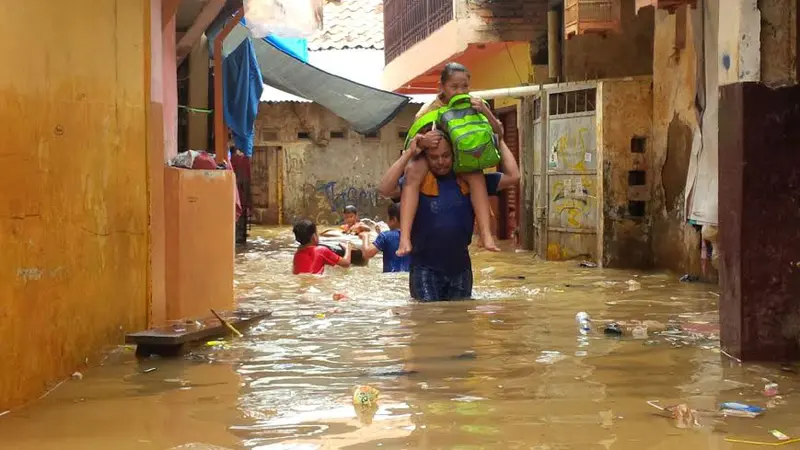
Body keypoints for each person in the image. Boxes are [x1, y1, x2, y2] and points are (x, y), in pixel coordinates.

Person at [378, 129, 520, 301]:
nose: (440, 162)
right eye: (434, 157)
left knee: (460, 321)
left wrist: (502, 140)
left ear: (455, 155)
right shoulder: (419, 182)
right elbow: (385, 189)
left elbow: (514, 176)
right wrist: (408, 153)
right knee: (428, 320)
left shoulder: (469, 180)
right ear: (426, 158)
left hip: (461, 269)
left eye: (445, 156)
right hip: (424, 268)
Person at [397, 62, 505, 257]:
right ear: (442, 87)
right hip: (433, 158)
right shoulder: (428, 110)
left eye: (464, 86)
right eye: (453, 87)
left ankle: (486, 235)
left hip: (462, 159)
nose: (459, 91)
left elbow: (499, 133)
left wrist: (485, 111)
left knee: (477, 177)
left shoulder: (476, 104)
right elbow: (412, 144)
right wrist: (425, 141)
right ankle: (404, 238)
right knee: (412, 172)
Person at [360, 202, 411, 273]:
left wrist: (365, 236)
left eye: (387, 218)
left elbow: (367, 254)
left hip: (391, 278)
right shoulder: (417, 236)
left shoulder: (385, 236)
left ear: (393, 220)